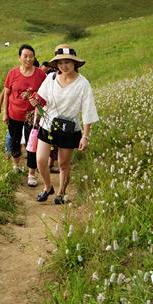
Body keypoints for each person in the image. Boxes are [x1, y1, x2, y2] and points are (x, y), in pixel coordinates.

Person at [27, 44, 98, 205]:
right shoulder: (51, 79)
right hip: (48, 124)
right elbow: (41, 99)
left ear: (75, 63)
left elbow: (88, 110)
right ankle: (48, 187)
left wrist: (85, 136)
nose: (64, 66)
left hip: (69, 128)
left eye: (67, 62)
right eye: (60, 63)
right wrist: (35, 101)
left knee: (63, 164)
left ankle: (61, 192)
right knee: (40, 160)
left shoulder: (83, 84)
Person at [0, 44, 47, 184]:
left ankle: (31, 174)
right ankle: (16, 165)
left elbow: (47, 92)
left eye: (31, 56)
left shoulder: (40, 74)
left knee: (32, 143)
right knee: (15, 141)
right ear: (19, 58)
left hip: (32, 116)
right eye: (25, 56)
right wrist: (5, 113)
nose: (28, 59)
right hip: (14, 114)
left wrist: (38, 101)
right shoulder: (12, 73)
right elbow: (7, 93)